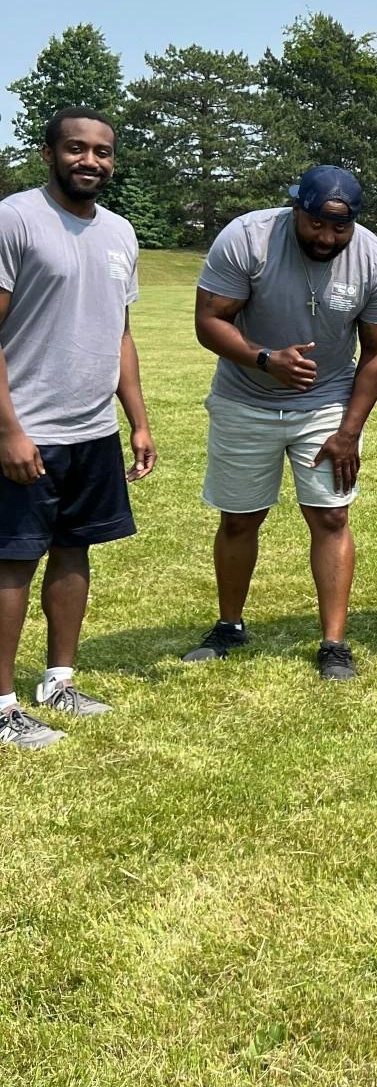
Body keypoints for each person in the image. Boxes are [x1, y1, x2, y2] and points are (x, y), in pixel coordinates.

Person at [183, 165, 377, 679]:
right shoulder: (248, 238)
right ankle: (229, 625)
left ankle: (333, 643)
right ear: (297, 209)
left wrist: (348, 432)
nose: (327, 237)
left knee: (330, 516)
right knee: (239, 518)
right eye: (317, 224)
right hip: (244, 398)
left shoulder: (373, 258)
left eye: (340, 228)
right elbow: (208, 321)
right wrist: (266, 360)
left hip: (325, 404)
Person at [0, 108, 155, 750]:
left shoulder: (120, 233)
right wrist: (7, 430)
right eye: (76, 149)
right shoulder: (15, 220)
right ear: (49, 153)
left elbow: (118, 333)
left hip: (92, 431)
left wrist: (137, 421)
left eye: (101, 152)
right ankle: (2, 703)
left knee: (74, 549)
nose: (89, 161)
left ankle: (59, 680)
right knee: (11, 562)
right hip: (27, 428)